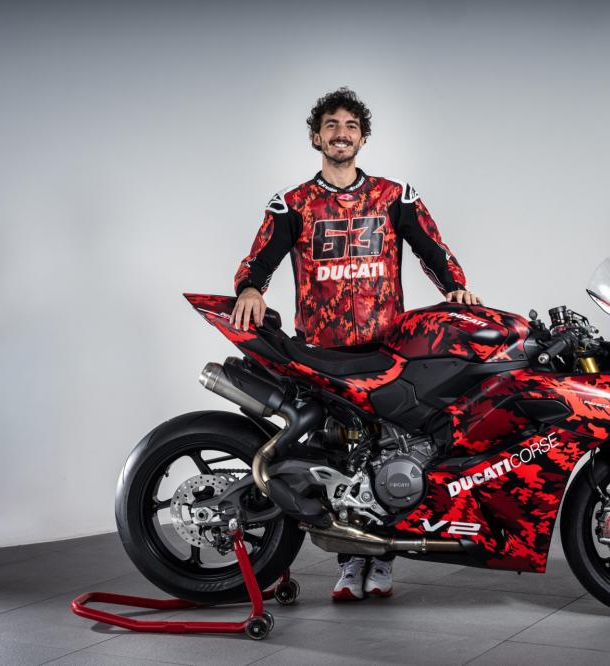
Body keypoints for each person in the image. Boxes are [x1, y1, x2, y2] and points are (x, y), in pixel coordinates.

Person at [229, 88, 481, 601]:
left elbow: (433, 250)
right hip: (322, 352)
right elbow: (260, 260)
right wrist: (250, 289)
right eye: (331, 125)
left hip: (386, 348)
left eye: (350, 125)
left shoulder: (394, 196)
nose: (340, 133)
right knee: (337, 457)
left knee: (391, 448)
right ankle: (349, 564)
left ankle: (382, 559)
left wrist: (455, 288)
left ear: (363, 138)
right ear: (315, 137)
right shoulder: (293, 204)